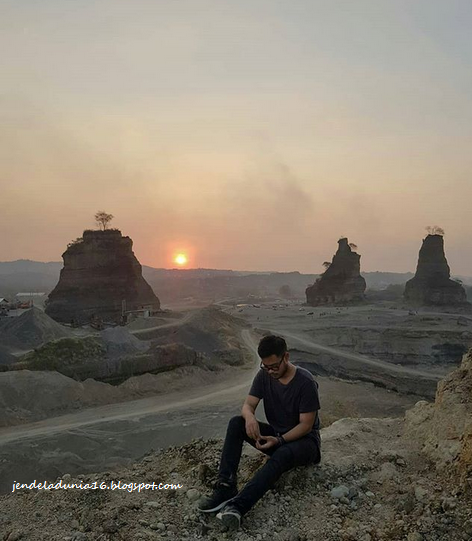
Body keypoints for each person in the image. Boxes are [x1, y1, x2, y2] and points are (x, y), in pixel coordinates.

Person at [198, 334, 321, 531]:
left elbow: (306, 425)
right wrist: (250, 418)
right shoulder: (264, 375)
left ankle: (238, 507)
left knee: (282, 454)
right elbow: (248, 404)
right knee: (236, 423)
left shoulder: (305, 382)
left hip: (306, 443)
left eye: (274, 366)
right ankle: (226, 487)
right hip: (278, 436)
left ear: (286, 357)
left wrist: (279, 440)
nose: (271, 371)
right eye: (266, 366)